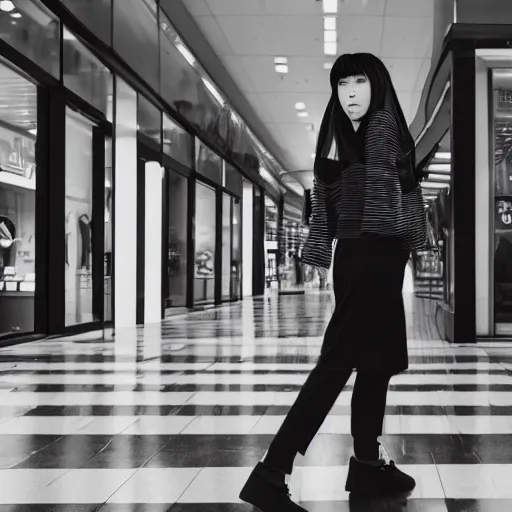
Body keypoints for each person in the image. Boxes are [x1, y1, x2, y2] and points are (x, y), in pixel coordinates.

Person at [239, 53, 427, 511]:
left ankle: (366, 465)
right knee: (339, 361)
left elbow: (353, 195)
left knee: (375, 361)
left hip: (370, 255)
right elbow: (376, 195)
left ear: (376, 83)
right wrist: (400, 240)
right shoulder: (378, 128)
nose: (349, 93)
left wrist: (335, 252)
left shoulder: (349, 134)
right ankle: (272, 470)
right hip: (372, 255)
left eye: (359, 81)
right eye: (342, 84)